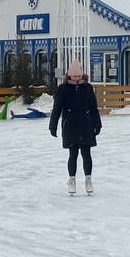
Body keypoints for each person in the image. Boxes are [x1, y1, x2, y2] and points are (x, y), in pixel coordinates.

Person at [49, 60, 101, 195]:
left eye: (79, 76)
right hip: (70, 126)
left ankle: (88, 179)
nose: (77, 78)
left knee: (86, 154)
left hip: (85, 125)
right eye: (74, 76)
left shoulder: (88, 88)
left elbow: (93, 108)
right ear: (69, 75)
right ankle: (72, 180)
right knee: (73, 154)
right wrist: (53, 125)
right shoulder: (63, 89)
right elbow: (57, 108)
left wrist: (97, 124)